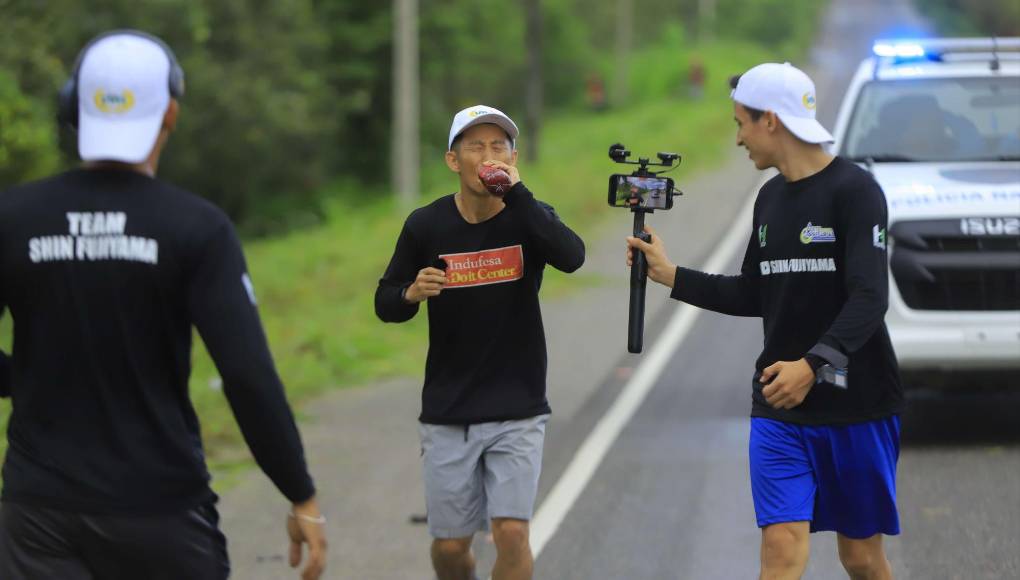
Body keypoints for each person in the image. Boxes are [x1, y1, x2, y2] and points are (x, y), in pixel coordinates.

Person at [0, 30, 326, 579]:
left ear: (73, 106)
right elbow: (246, 376)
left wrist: (30, 376)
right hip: (160, 513)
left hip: (37, 516)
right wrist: (300, 494)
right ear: (170, 113)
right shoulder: (197, 227)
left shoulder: (12, 218)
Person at [626, 63, 904, 579]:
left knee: (861, 559)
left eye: (741, 124)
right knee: (780, 550)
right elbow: (753, 291)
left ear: (770, 121)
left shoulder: (856, 191)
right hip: (779, 407)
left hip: (858, 404)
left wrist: (812, 366)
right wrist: (670, 275)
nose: (738, 139)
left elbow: (869, 298)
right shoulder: (769, 198)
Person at [375, 105, 585, 580]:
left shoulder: (528, 218)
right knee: (451, 547)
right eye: (476, 147)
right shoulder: (426, 225)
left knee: (511, 532)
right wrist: (411, 293)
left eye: (499, 147)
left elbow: (573, 257)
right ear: (454, 160)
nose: (489, 156)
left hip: (518, 405)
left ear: (513, 158)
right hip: (450, 408)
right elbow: (385, 302)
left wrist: (520, 196)